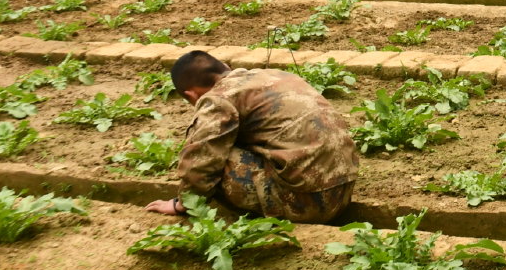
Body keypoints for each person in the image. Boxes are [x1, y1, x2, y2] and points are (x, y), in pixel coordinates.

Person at [146, 51, 357, 224]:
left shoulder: (219, 98)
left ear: (191, 95)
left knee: (213, 157)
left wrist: (184, 203)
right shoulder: (277, 76)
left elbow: (200, 160)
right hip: (343, 191)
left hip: (307, 203)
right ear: (226, 67)